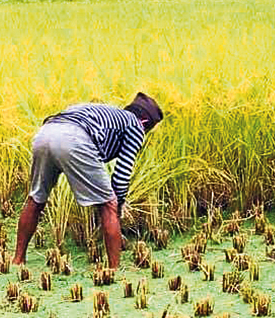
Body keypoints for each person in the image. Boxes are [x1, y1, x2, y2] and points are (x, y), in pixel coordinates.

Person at [13, 93, 163, 269]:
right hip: (74, 138)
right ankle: (113, 269)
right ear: (145, 123)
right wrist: (117, 208)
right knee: (109, 205)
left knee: (36, 198)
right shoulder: (135, 126)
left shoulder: (106, 113)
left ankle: (18, 259)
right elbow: (122, 176)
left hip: (45, 134)